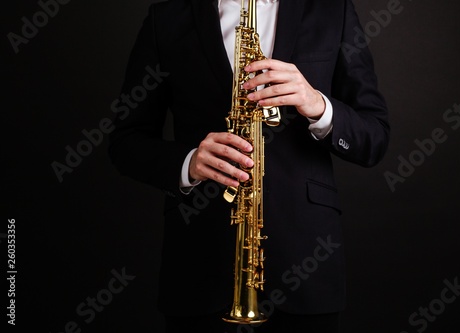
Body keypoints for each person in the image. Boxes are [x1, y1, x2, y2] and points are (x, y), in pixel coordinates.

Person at [108, 0, 390, 332]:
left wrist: (316, 104)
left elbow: (374, 137)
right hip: (199, 267)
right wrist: (189, 163)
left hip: (306, 264)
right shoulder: (167, 16)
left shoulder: (331, 10)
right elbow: (126, 142)